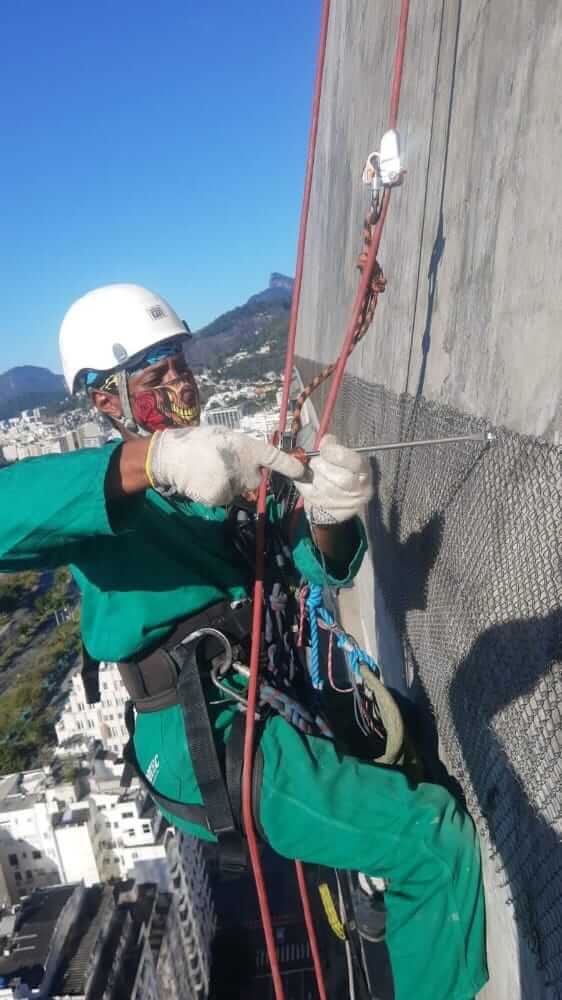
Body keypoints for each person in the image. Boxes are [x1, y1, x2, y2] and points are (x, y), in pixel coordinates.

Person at [0, 284, 487, 999]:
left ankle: (385, 904)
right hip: (202, 725)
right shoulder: (102, 504)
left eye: (181, 361)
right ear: (106, 401)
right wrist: (152, 459)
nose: (181, 380)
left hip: (260, 694)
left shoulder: (228, 465)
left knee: (408, 744)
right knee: (431, 841)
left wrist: (327, 510)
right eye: (155, 372)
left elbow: (318, 560)